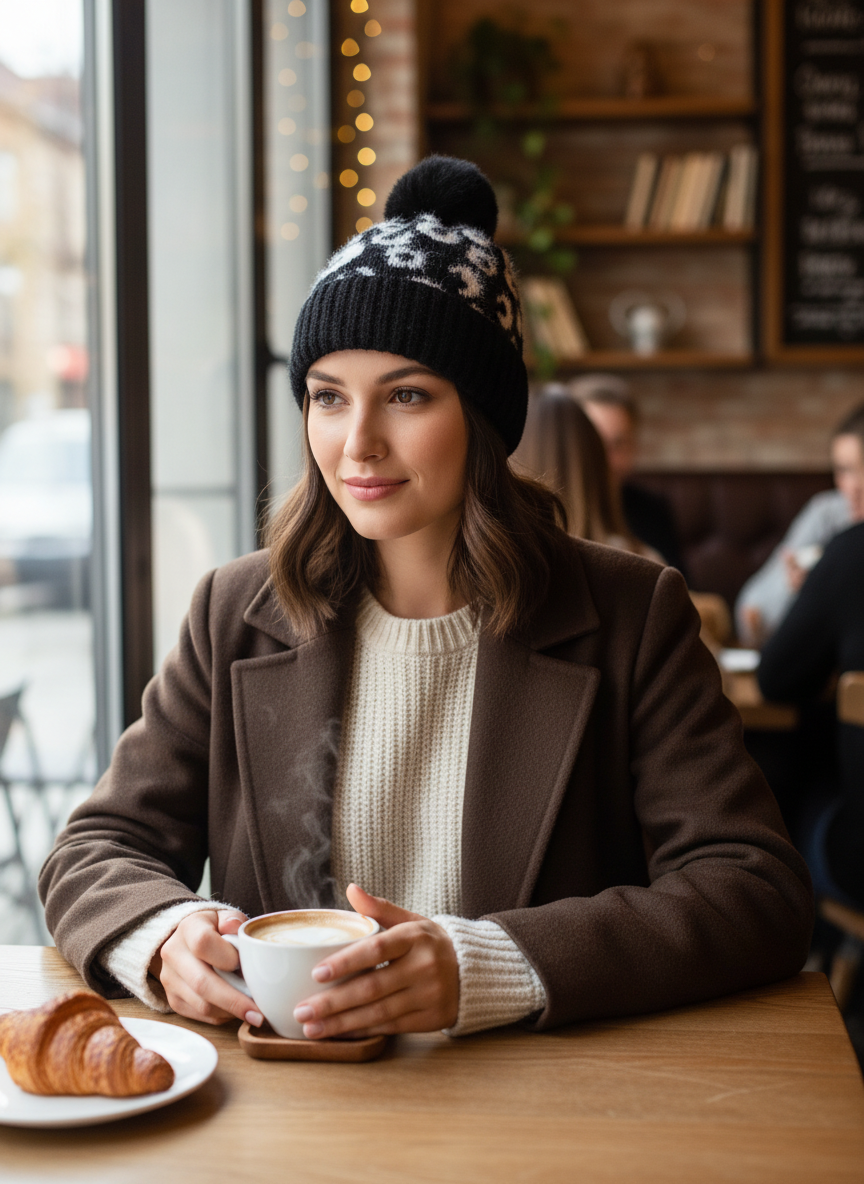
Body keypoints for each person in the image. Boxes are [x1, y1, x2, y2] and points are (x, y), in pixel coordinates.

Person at [40, 156, 812, 1041]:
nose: (357, 443)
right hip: (279, 1116)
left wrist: (492, 964)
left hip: (536, 1116)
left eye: (406, 395)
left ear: (482, 418)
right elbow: (95, 851)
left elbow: (755, 888)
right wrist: (163, 934)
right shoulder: (235, 611)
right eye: (328, 398)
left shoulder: (633, 613)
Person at [758, 521, 864, 910]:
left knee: (786, 780)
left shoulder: (852, 550)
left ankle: (797, 949)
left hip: (858, 866)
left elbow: (776, 678)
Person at [735, 403, 864, 646]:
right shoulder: (827, 516)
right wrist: (798, 592)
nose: (852, 487)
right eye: (844, 470)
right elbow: (750, 611)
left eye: (863, 469)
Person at [513, 390, 663, 561]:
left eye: (618, 444)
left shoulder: (493, 561)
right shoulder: (643, 563)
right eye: (599, 442)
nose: (608, 460)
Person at [570, 375, 685, 573]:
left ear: (634, 447)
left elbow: (681, 592)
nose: (607, 460)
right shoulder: (541, 512)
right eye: (595, 444)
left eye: (619, 444)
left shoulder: (652, 512)